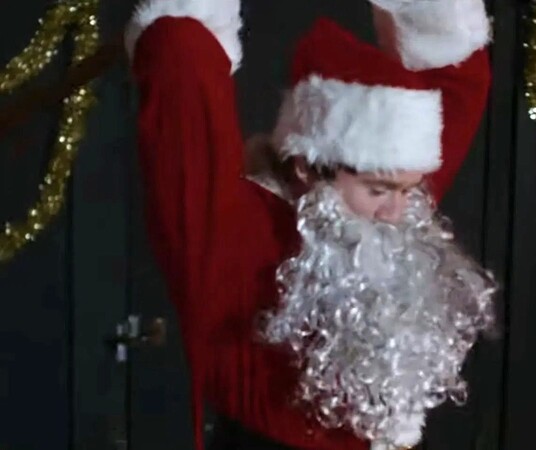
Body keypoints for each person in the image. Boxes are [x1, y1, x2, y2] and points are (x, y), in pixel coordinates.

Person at [125, 0, 495, 448]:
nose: (397, 213)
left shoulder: (386, 203)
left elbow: (454, 68)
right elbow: (181, 59)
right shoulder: (232, 232)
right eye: (379, 190)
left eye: (409, 189)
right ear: (306, 168)